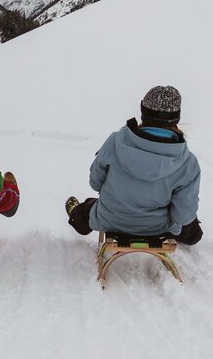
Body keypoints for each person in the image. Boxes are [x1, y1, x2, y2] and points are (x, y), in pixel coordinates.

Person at [65, 85, 202, 245]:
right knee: (190, 224)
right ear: (176, 118)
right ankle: (193, 237)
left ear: (143, 112)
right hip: (158, 228)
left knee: (90, 207)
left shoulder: (115, 143)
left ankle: (77, 215)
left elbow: (95, 183)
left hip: (111, 219)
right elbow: (182, 216)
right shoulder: (187, 162)